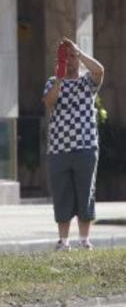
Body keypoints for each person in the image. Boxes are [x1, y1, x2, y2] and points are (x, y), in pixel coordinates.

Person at [43, 37, 104, 252]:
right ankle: (63, 240)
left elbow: (99, 71)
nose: (68, 61)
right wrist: (59, 80)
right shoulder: (52, 82)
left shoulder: (87, 81)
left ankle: (84, 239)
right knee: (62, 193)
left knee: (85, 191)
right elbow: (49, 102)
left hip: (86, 146)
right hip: (59, 149)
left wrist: (80, 53)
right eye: (64, 57)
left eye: (71, 57)